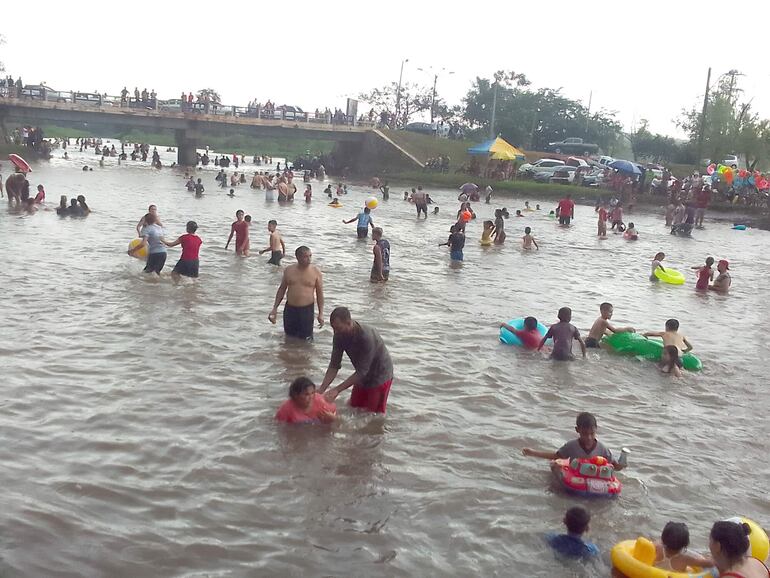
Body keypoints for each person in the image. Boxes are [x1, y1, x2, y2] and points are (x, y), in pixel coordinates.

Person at [318, 307, 394, 414]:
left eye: (338, 328)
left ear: (349, 323)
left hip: (380, 376)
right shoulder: (339, 336)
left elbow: (362, 371)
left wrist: (337, 390)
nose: (336, 332)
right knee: (353, 408)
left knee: (371, 415)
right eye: (333, 328)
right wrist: (321, 389)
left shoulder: (366, 337)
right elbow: (334, 365)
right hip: (361, 375)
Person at [522, 412, 624, 469]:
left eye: (592, 433)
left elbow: (615, 466)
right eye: (584, 434)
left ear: (596, 429)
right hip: (575, 478)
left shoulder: (602, 449)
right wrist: (533, 453)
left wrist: (622, 464)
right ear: (577, 430)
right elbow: (555, 456)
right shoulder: (571, 446)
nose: (588, 437)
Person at [268, 246, 324, 340]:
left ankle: (304, 354)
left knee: (306, 339)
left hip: (307, 310)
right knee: (289, 337)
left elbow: (320, 294)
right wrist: (274, 308)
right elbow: (282, 289)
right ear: (298, 257)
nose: (309, 259)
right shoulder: (289, 270)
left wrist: (321, 313)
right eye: (306, 257)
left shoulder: (315, 271)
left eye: (310, 256)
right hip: (290, 309)